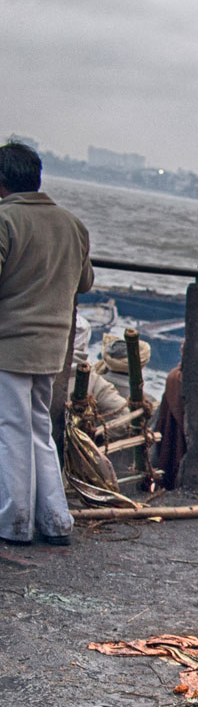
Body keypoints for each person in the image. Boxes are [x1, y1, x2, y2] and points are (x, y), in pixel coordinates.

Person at [0, 140, 93, 546]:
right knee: (39, 429)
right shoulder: (72, 224)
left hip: (9, 344)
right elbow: (85, 281)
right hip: (53, 347)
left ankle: (14, 522)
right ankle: (55, 518)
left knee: (10, 431)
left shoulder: (5, 220)